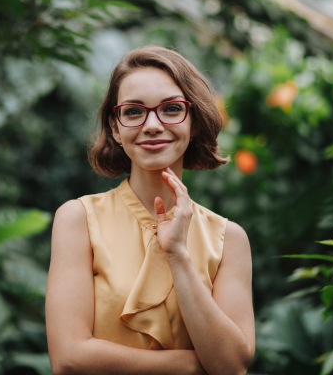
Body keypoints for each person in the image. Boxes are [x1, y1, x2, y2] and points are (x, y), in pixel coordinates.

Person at [46, 46, 254, 375]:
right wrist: (186, 365)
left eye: (171, 109)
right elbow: (69, 358)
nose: (153, 125)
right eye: (133, 112)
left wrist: (178, 256)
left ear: (195, 121)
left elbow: (231, 366)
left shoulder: (229, 239)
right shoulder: (78, 219)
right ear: (115, 127)